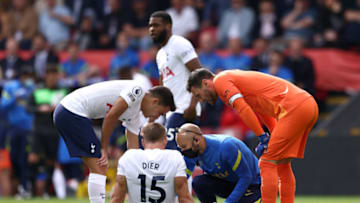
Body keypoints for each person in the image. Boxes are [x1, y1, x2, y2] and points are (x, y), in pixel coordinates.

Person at [187, 68, 319, 203]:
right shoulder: (232, 78)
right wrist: (271, 134)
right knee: (282, 163)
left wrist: (261, 136)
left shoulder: (220, 81)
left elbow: (243, 108)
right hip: (307, 105)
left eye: (198, 95)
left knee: (267, 163)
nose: (201, 100)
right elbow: (262, 109)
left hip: (293, 108)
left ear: (205, 83)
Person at [53, 82, 176, 203]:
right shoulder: (137, 91)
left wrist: (140, 168)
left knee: (99, 167)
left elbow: (133, 150)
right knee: (99, 166)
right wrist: (104, 148)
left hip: (68, 112)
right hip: (71, 111)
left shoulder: (134, 115)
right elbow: (111, 115)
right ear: (154, 101)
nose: (157, 117)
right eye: (160, 113)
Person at [148, 11, 202, 150]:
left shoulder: (179, 43)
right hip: (172, 112)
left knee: (173, 153)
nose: (152, 29)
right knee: (182, 156)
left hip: (185, 110)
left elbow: (198, 74)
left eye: (156, 25)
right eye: (150, 26)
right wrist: (156, 112)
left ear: (168, 26)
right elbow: (163, 87)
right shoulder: (160, 54)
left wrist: (192, 106)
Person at [176, 123, 261, 203]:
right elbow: (183, 176)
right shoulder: (192, 151)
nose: (182, 151)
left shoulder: (226, 146)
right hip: (228, 183)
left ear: (197, 140)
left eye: (184, 147)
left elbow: (246, 177)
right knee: (199, 182)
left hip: (252, 185)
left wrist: (229, 202)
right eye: (180, 148)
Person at [110, 122, 193, 203]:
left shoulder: (129, 157)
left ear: (143, 142)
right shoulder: (175, 157)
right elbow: (184, 199)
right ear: (165, 140)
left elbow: (116, 198)